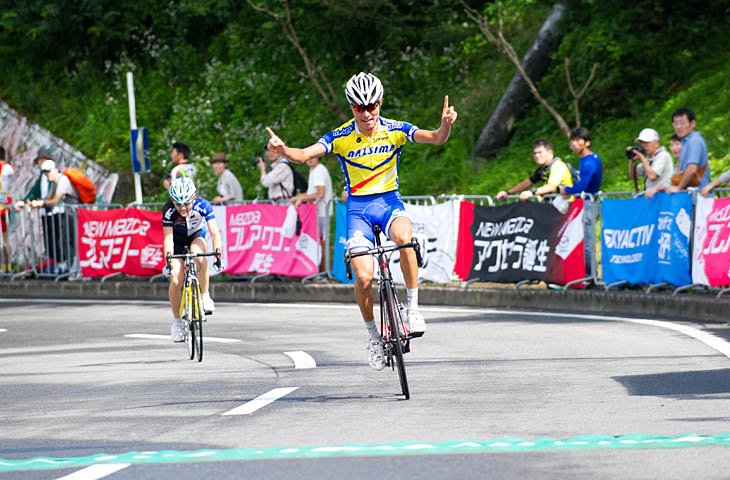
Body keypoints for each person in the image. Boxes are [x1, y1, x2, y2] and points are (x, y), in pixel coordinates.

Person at [266, 72, 457, 370]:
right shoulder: (340, 136)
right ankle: (372, 337)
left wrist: (444, 125)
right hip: (358, 210)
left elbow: (435, 138)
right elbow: (303, 155)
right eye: (359, 107)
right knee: (364, 277)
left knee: (405, 239)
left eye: (372, 105)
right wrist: (283, 151)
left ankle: (413, 310)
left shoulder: (394, 129)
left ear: (380, 103)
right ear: (351, 107)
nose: (367, 113)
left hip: (389, 201)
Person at [162, 178, 223, 342]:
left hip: (196, 236)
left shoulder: (203, 205)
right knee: (175, 279)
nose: (182, 208)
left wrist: (218, 255)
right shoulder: (168, 210)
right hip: (177, 242)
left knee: (198, 255)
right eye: (178, 204)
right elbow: (168, 239)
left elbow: (215, 233)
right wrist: (168, 260)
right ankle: (176, 322)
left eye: (186, 204)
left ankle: (204, 295)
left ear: (194, 198)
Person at [560, 126, 602, 279]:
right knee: (583, 241)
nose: (575, 144)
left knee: (588, 243)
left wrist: (567, 189)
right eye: (573, 141)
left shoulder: (590, 161)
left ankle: (591, 277)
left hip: (589, 204)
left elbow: (583, 185)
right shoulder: (586, 159)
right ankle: (587, 275)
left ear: (587, 143)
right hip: (585, 202)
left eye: (578, 141)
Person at [27, 159, 80, 273]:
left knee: (67, 241)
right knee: (61, 241)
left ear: (56, 170)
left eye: (49, 171)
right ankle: (68, 267)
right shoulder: (53, 182)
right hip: (65, 213)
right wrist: (35, 202)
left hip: (71, 214)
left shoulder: (62, 180)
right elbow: (49, 197)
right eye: (45, 172)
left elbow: (55, 200)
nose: (47, 174)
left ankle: (74, 268)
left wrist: (41, 203)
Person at [289, 156, 333, 271]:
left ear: (319, 157)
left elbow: (320, 194)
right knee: (318, 242)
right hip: (319, 212)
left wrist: (301, 198)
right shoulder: (314, 170)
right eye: (308, 157)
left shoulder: (318, 170)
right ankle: (319, 271)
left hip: (321, 213)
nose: (310, 159)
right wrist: (301, 197)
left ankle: (321, 272)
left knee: (320, 243)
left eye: (313, 157)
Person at [495, 139, 573, 202]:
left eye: (540, 152)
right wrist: (507, 192)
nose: (537, 156)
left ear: (550, 152)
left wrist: (531, 192)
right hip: (554, 205)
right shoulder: (542, 168)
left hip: (567, 206)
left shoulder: (557, 166)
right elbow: (528, 182)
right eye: (535, 153)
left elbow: (551, 186)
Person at [667, 107, 710, 193]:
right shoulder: (685, 142)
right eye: (675, 124)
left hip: (699, 196)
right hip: (691, 195)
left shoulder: (694, 141)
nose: (678, 127)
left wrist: (679, 188)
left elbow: (692, 169)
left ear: (692, 123)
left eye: (682, 123)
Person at [627, 128, 673, 192]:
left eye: (646, 143)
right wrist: (631, 158)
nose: (643, 146)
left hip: (663, 197)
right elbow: (633, 175)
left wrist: (641, 158)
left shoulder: (663, 155)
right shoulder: (648, 158)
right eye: (641, 143)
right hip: (652, 197)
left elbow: (652, 176)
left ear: (657, 142)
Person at [0, 146, 14, 270]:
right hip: (4, 205)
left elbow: (3, 190)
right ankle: (5, 266)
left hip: (2, 207)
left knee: (4, 238)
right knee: (4, 238)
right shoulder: (8, 167)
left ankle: (6, 266)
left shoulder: (5, 168)